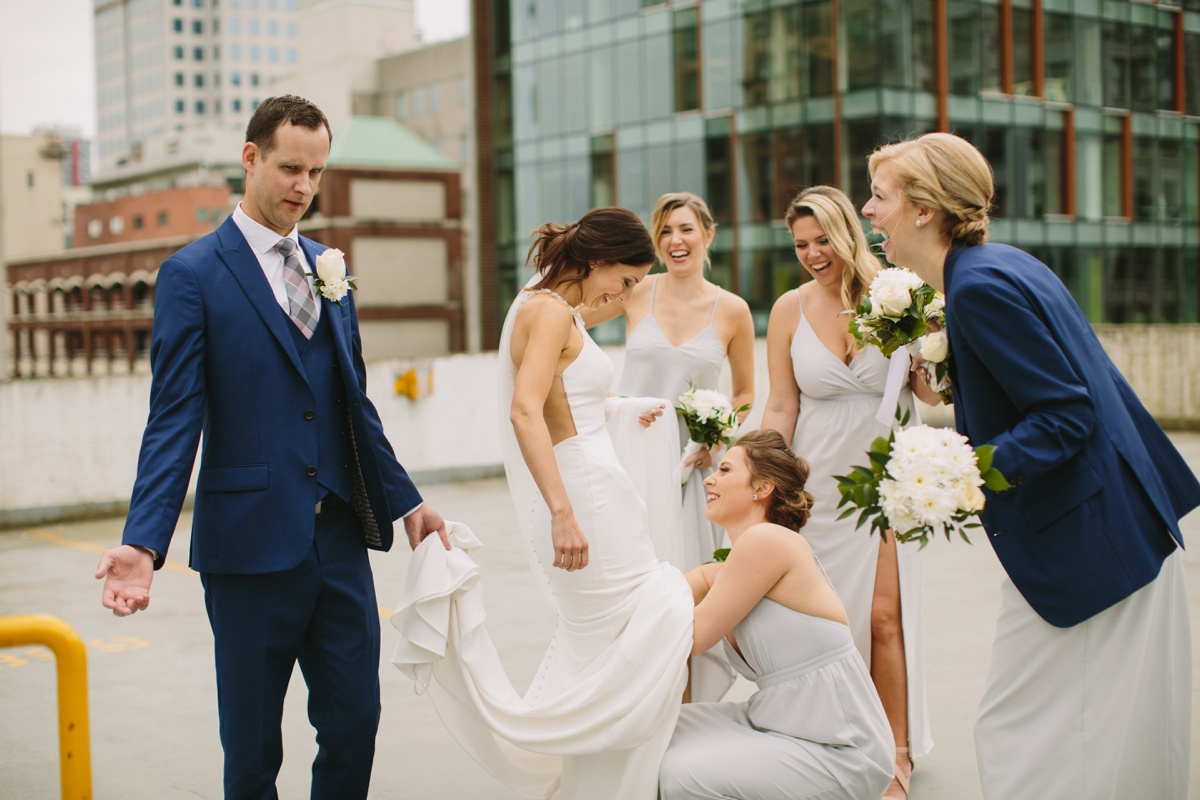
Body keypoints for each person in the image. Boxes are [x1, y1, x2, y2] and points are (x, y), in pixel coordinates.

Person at [93, 95, 448, 800]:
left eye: (316, 173)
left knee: (355, 723)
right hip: (250, 550)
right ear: (250, 158)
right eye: (290, 168)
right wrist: (144, 541)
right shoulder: (192, 275)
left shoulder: (327, 266)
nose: (303, 187)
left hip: (340, 538)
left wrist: (408, 503)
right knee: (252, 750)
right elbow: (174, 417)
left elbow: (354, 404)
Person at [862, 131, 1199, 800]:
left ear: (924, 209)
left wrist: (951, 473)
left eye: (879, 196)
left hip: (1085, 545)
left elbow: (1066, 414)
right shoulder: (1000, 265)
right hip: (1114, 527)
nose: (869, 212)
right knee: (1101, 729)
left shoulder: (979, 289)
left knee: (1022, 730)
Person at [390, 206, 694, 800]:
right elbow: (525, 410)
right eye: (625, 280)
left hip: (595, 482)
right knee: (634, 630)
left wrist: (620, 409)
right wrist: (562, 511)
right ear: (599, 258)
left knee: (612, 637)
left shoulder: (552, 310)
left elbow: (566, 404)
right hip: (583, 492)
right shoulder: (550, 313)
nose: (625, 294)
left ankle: (600, 781)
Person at [761, 185, 937, 798]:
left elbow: (934, 395)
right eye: (801, 245)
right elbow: (783, 404)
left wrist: (928, 361)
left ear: (848, 234)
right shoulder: (789, 308)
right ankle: (835, 738)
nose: (812, 254)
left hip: (886, 478)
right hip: (818, 489)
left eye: (822, 241)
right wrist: (764, 478)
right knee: (824, 625)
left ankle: (899, 753)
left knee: (883, 617)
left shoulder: (900, 293)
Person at [658, 429, 895, 800]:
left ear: (762, 487)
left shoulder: (766, 542)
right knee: (654, 731)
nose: (710, 478)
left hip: (838, 748)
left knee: (679, 775)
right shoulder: (739, 561)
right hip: (780, 723)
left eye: (724, 470)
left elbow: (695, 636)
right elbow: (672, 588)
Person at [583, 192, 755, 701]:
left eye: (684, 229)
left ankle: (684, 711)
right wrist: (605, 396)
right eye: (665, 232)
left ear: (708, 234)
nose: (675, 241)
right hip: (632, 462)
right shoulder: (635, 292)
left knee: (684, 595)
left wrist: (716, 433)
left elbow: (745, 393)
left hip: (694, 471)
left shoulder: (734, 311)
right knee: (634, 591)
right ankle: (632, 704)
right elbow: (568, 326)